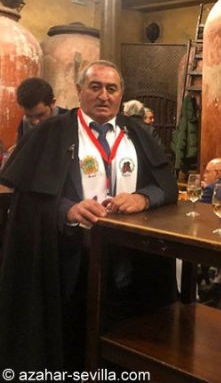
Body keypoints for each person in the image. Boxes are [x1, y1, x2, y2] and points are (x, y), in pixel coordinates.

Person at [0, 60, 178, 370]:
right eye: (95, 87)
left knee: (124, 340)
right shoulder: (52, 132)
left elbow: (166, 186)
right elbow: (27, 200)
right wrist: (67, 209)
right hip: (70, 263)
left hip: (128, 262)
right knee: (73, 346)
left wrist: (143, 197)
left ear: (121, 94)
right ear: (79, 90)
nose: (104, 96)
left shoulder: (137, 132)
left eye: (112, 89)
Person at [15, 76, 68, 141]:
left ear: (52, 103)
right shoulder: (25, 123)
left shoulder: (70, 121)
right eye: (29, 116)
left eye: (41, 115)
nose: (35, 122)